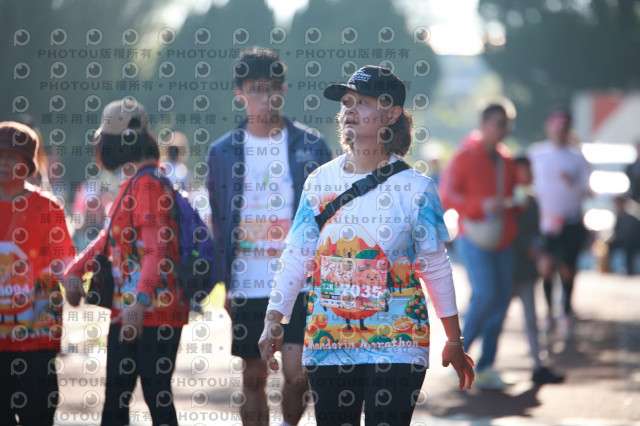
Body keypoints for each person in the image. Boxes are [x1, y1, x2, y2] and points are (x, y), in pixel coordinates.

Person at [258, 65, 474, 426]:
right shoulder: (320, 181)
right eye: (346, 102)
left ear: (391, 114)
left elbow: (435, 266)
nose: (350, 110)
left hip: (399, 339)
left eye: (362, 102)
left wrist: (454, 339)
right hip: (329, 338)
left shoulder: (416, 188)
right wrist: (274, 318)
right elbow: (296, 256)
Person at [206, 47, 332, 426]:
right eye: (255, 88)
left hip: (301, 279)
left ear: (284, 90)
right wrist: (225, 283)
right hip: (248, 280)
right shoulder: (222, 152)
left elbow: (328, 214)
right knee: (253, 376)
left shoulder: (311, 145)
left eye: (272, 88)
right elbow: (219, 222)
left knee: (297, 373)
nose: (266, 97)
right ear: (240, 93)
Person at [65, 99, 189, 426]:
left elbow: (155, 251)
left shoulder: (147, 185)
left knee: (151, 395)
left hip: (152, 312)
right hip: (134, 308)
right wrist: (75, 269)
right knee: (121, 400)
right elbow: (109, 238)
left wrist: (139, 302)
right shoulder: (136, 182)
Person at [439, 103, 519, 389]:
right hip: (472, 237)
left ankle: (485, 365)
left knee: (501, 299)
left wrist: (518, 201)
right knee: (485, 295)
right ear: (484, 123)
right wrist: (480, 205)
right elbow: (446, 196)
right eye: (497, 122)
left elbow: (513, 196)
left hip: (504, 238)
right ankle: (460, 356)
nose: (502, 128)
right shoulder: (464, 155)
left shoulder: (506, 160)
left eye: (506, 123)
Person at [0, 121, 75, 425]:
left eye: (11, 157)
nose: (3, 163)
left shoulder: (47, 208)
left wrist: (73, 284)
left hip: (38, 336)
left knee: (39, 413)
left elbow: (64, 260)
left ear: (27, 164)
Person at [528, 110, 591, 337]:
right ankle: (550, 314)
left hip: (571, 221)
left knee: (567, 269)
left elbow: (588, 190)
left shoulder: (577, 156)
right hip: (546, 223)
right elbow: (524, 180)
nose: (559, 130)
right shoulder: (536, 153)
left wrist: (573, 182)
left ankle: (566, 312)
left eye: (563, 126)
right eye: (555, 125)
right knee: (546, 268)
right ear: (548, 127)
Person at [512, 156, 564, 384]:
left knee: (532, 319)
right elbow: (510, 232)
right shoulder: (510, 200)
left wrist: (538, 250)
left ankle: (537, 364)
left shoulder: (531, 200)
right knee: (491, 317)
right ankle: (466, 359)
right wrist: (528, 246)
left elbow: (536, 233)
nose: (527, 174)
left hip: (526, 270)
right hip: (507, 269)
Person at [607, 195, 640, 275]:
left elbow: (629, 233)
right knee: (609, 245)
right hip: (623, 240)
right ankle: (608, 268)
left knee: (628, 245)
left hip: (633, 241)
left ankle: (629, 269)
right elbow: (616, 231)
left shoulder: (629, 216)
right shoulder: (618, 215)